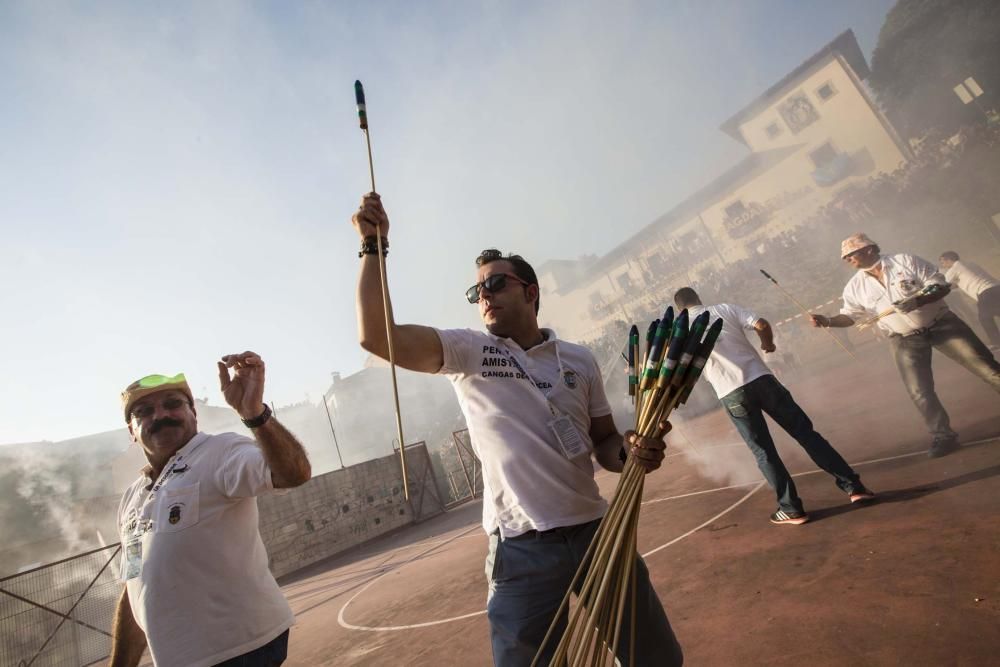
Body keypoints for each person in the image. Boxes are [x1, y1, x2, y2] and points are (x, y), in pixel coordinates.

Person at [351, 192, 683, 667]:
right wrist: (373, 247)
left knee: (657, 658)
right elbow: (376, 336)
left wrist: (630, 451)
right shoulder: (467, 352)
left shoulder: (579, 359)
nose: (483, 294)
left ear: (531, 292)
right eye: (477, 291)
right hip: (521, 549)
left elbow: (605, 443)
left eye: (496, 283)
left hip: (595, 531)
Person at [109, 352, 312, 667]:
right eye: (145, 411)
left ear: (193, 414)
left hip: (240, 650)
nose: (161, 415)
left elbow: (293, 473)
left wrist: (254, 413)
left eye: (173, 404)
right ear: (132, 432)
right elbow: (135, 582)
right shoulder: (131, 499)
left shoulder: (220, 452)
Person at [673, 288, 874, 526]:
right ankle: (854, 487)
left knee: (763, 452)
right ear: (699, 298)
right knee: (807, 434)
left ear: (679, 308)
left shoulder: (679, 330)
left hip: (731, 392)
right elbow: (762, 324)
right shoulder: (725, 309)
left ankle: (791, 508)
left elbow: (679, 367)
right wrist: (767, 345)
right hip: (762, 380)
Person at [810, 234, 1000, 458]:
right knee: (919, 391)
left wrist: (919, 300)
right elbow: (850, 316)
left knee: (987, 369)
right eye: (846, 257)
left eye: (851, 254)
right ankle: (943, 436)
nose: (847, 259)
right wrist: (828, 321)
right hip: (903, 339)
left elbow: (940, 284)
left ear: (869, 249)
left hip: (942, 325)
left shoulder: (905, 261)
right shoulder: (854, 287)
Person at [939, 251, 1000, 349]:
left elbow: (943, 285)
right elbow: (967, 279)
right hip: (996, 287)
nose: (943, 265)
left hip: (985, 292)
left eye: (942, 262)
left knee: (984, 318)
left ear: (948, 259)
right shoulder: (970, 264)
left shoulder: (954, 269)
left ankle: (997, 342)